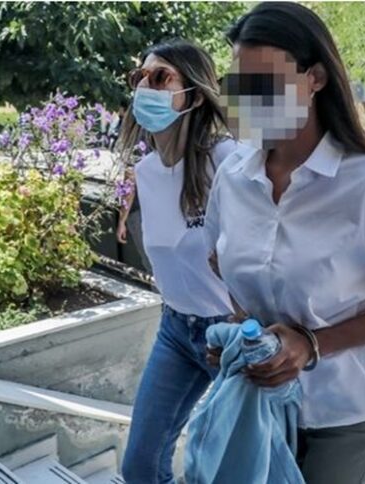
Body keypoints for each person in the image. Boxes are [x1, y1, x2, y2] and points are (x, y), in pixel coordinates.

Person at [204, 3, 365, 483]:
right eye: (239, 83)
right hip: (263, 402)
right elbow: (222, 261)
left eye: (265, 83)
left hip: (348, 412)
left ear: (314, 77)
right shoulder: (233, 175)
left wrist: (311, 345)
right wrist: (243, 337)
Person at [117, 39, 244, 484]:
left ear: (194, 93)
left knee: (232, 468)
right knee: (139, 467)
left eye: (160, 77)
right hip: (174, 328)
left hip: (229, 334)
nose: (144, 87)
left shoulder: (228, 161)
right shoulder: (146, 172)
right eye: (139, 77)